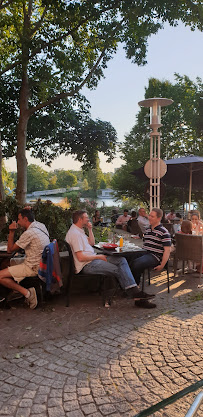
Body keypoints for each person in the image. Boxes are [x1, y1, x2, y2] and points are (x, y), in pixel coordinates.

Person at [65, 210, 154, 306]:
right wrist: (98, 256)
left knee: (121, 260)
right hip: (87, 265)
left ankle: (133, 292)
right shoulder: (75, 234)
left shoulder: (79, 230)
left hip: (92, 259)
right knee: (118, 269)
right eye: (86, 218)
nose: (88, 219)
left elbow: (91, 243)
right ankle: (136, 295)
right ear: (79, 219)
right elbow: (81, 257)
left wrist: (90, 229)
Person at [0, 208, 50, 309]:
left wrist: (11, 231)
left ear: (26, 219)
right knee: (7, 263)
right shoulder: (41, 226)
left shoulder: (29, 233)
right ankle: (10, 293)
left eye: (19, 219)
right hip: (42, 263)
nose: (18, 222)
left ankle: (27, 293)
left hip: (32, 267)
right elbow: (31, 217)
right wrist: (28, 210)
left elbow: (10, 250)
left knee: (0, 276)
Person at [129, 208, 171, 308]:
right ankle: (132, 289)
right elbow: (146, 244)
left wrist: (162, 265)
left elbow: (167, 250)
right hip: (145, 252)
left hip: (155, 256)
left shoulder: (164, 232)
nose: (149, 218)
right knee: (127, 258)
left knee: (136, 264)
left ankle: (136, 294)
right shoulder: (148, 229)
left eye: (152, 216)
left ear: (159, 218)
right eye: (150, 215)